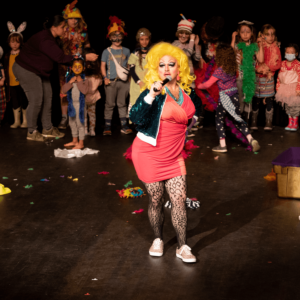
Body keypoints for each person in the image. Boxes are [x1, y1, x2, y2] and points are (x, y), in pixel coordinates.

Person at [130, 42, 201, 263]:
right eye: (162, 65)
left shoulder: (187, 93)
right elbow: (135, 117)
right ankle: (158, 239)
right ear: (156, 69)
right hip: (148, 154)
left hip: (173, 156)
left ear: (180, 69)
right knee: (157, 199)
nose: (167, 68)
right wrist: (151, 95)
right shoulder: (153, 92)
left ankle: (183, 246)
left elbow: (188, 119)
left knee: (179, 199)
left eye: (172, 64)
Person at [12, 15, 97, 142]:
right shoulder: (45, 40)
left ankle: (47, 129)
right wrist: (85, 57)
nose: (64, 29)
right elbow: (61, 58)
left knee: (48, 97)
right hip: (26, 69)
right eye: (63, 27)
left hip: (39, 71)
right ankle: (32, 131)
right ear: (54, 27)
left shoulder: (52, 38)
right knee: (36, 99)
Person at [197, 43, 260, 153]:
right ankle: (251, 139)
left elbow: (207, 85)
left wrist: (199, 86)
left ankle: (222, 145)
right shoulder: (233, 68)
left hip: (225, 99)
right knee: (238, 120)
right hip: (235, 98)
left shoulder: (219, 71)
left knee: (219, 119)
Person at [58, 0, 90, 130]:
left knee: (80, 91)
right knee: (64, 91)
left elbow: (87, 46)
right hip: (64, 67)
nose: (74, 21)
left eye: (76, 18)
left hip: (79, 66)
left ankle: (79, 117)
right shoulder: (62, 33)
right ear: (66, 18)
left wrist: (87, 56)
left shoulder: (82, 32)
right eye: (71, 18)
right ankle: (64, 117)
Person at [101, 16, 132, 136]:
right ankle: (107, 126)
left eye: (119, 36)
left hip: (123, 82)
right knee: (109, 104)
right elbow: (102, 65)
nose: (117, 39)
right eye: (114, 36)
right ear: (110, 37)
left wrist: (129, 80)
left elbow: (129, 66)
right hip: (111, 82)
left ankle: (124, 125)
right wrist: (105, 78)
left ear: (123, 37)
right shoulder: (106, 51)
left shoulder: (127, 51)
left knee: (122, 104)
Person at [251, 24, 281, 131]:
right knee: (256, 100)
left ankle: (268, 122)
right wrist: (256, 69)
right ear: (263, 35)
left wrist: (269, 68)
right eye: (268, 35)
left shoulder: (276, 48)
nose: (271, 37)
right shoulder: (257, 46)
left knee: (269, 100)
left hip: (269, 78)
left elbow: (278, 64)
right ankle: (253, 121)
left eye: (273, 34)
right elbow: (253, 61)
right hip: (258, 77)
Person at [231, 20, 264, 118]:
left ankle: (247, 121)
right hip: (238, 77)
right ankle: (239, 119)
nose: (245, 35)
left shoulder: (254, 46)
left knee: (248, 99)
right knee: (239, 99)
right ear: (239, 33)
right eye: (242, 32)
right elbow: (230, 53)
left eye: (248, 32)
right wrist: (233, 38)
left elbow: (261, 59)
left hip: (249, 77)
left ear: (252, 33)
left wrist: (261, 45)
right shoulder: (237, 45)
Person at [4, 21, 28, 129]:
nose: (14, 44)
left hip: (22, 82)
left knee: (24, 100)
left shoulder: (23, 54)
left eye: (17, 42)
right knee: (15, 101)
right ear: (8, 42)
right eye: (12, 42)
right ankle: (17, 121)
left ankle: (26, 121)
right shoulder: (7, 56)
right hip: (12, 83)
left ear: (21, 43)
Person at [62, 57, 89, 149]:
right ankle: (74, 141)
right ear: (72, 68)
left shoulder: (85, 79)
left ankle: (81, 143)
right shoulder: (69, 78)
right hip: (71, 105)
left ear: (83, 68)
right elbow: (63, 90)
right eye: (75, 67)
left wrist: (80, 81)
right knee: (72, 123)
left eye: (79, 66)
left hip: (80, 105)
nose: (77, 68)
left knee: (80, 123)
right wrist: (70, 82)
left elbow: (85, 91)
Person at [275, 43, 300, 131]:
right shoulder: (282, 63)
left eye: (292, 52)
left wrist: (298, 88)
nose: (289, 54)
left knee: (295, 106)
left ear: (296, 54)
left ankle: (295, 123)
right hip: (284, 88)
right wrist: (278, 87)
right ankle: (290, 123)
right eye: (287, 52)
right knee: (288, 106)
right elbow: (279, 76)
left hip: (294, 88)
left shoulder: (298, 64)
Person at [128, 28, 151, 119]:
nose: (144, 42)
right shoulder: (135, 53)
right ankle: (136, 122)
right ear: (138, 40)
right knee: (136, 101)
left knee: (148, 101)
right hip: (137, 84)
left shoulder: (152, 52)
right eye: (142, 39)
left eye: (146, 39)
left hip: (148, 82)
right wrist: (138, 81)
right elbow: (132, 70)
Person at [172, 14, 201, 89]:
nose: (184, 36)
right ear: (178, 33)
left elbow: (197, 58)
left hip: (189, 78)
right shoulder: (175, 44)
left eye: (187, 33)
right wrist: (191, 40)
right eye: (181, 33)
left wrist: (196, 45)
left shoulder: (189, 45)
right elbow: (187, 54)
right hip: (179, 78)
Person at [83, 47, 102, 136]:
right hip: (93, 97)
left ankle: (85, 130)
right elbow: (100, 83)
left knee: (84, 115)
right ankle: (92, 131)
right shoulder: (97, 74)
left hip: (84, 97)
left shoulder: (83, 76)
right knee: (92, 115)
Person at [0, 47, 6, 126]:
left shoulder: (0, 65)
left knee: (1, 103)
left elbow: (3, 74)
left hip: (0, 86)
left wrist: (2, 80)